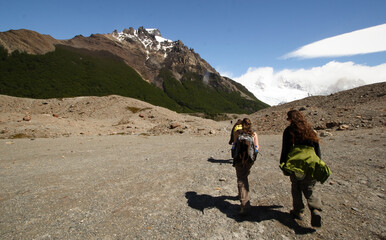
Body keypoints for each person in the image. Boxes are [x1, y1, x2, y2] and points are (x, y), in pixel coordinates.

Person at [279, 110, 324, 227]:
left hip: (296, 164)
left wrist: (283, 164)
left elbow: (286, 149)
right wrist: (318, 163)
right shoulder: (310, 130)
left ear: (291, 119)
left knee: (296, 187)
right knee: (310, 188)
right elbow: (317, 149)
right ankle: (315, 209)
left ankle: (298, 211)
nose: (287, 121)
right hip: (311, 162)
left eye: (288, 118)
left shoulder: (289, 131)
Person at [233, 118, 259, 215]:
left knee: (241, 179)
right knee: (244, 176)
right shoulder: (254, 133)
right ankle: (242, 195)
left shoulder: (237, 132)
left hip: (239, 159)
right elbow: (257, 147)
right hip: (249, 159)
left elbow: (234, 144)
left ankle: (244, 205)